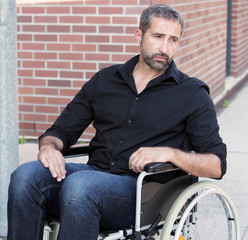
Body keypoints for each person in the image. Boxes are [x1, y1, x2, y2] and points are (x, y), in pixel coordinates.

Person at [7, 4, 226, 240]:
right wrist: (49, 147)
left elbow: (216, 164)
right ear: (139, 35)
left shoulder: (191, 93)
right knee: (26, 176)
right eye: (158, 36)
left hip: (146, 193)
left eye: (173, 40)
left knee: (81, 186)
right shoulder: (105, 80)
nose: (164, 47)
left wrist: (169, 154)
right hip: (93, 176)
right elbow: (59, 131)